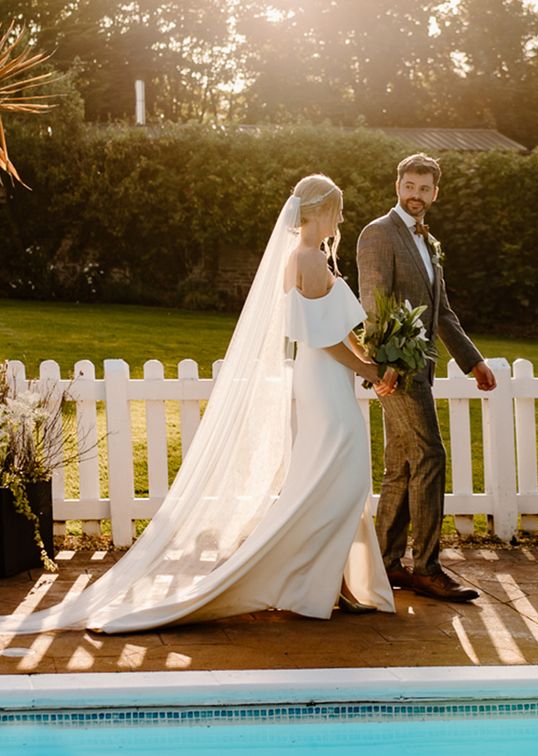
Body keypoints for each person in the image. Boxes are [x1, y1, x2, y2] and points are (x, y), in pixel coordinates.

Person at [0, 175, 395, 632]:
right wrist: (368, 369)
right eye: (338, 209)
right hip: (323, 380)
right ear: (320, 210)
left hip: (329, 377)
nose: (342, 218)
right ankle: (314, 583)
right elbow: (319, 337)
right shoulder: (306, 259)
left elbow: (337, 327)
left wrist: (372, 358)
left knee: (336, 481)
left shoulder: (316, 257)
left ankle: (329, 584)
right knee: (342, 482)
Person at [357, 153, 496, 603]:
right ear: (397, 185)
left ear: (436, 193)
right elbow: (374, 306)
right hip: (397, 371)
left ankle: (387, 562)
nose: (415, 196)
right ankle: (429, 568)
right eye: (409, 186)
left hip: (423, 367)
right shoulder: (378, 234)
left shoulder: (428, 241)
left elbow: (443, 313)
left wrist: (473, 361)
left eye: (424, 189)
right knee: (431, 457)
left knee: (400, 467)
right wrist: (389, 364)